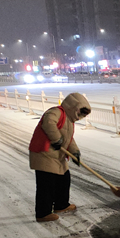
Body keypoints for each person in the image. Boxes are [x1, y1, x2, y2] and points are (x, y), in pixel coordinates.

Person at [29, 92, 92, 222]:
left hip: (57, 156)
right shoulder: (56, 112)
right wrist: (56, 139)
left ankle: (61, 205)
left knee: (64, 180)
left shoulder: (69, 120)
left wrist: (75, 152)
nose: (80, 117)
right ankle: (43, 213)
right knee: (46, 185)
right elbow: (49, 123)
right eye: (80, 113)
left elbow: (69, 139)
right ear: (73, 107)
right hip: (44, 153)